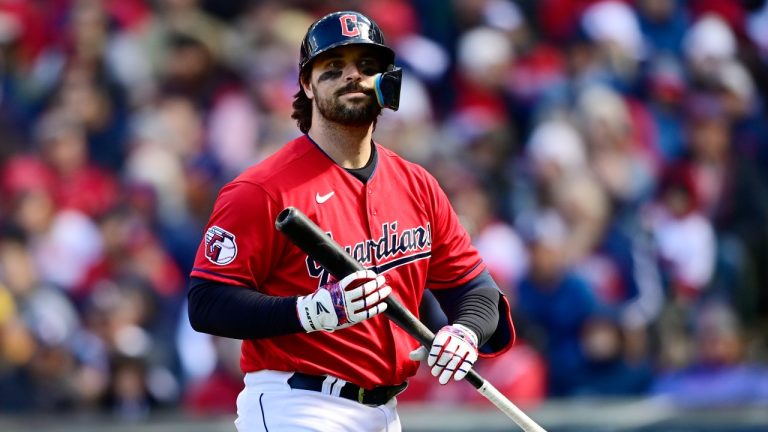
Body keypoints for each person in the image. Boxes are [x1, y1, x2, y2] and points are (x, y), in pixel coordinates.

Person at [186, 10, 514, 432]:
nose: (352, 77)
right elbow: (208, 302)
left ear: (385, 80)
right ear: (306, 84)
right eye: (333, 68)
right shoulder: (261, 189)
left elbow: (475, 288)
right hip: (298, 404)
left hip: (385, 410)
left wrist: (465, 333)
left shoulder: (417, 184)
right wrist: (309, 311)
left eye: (366, 66)